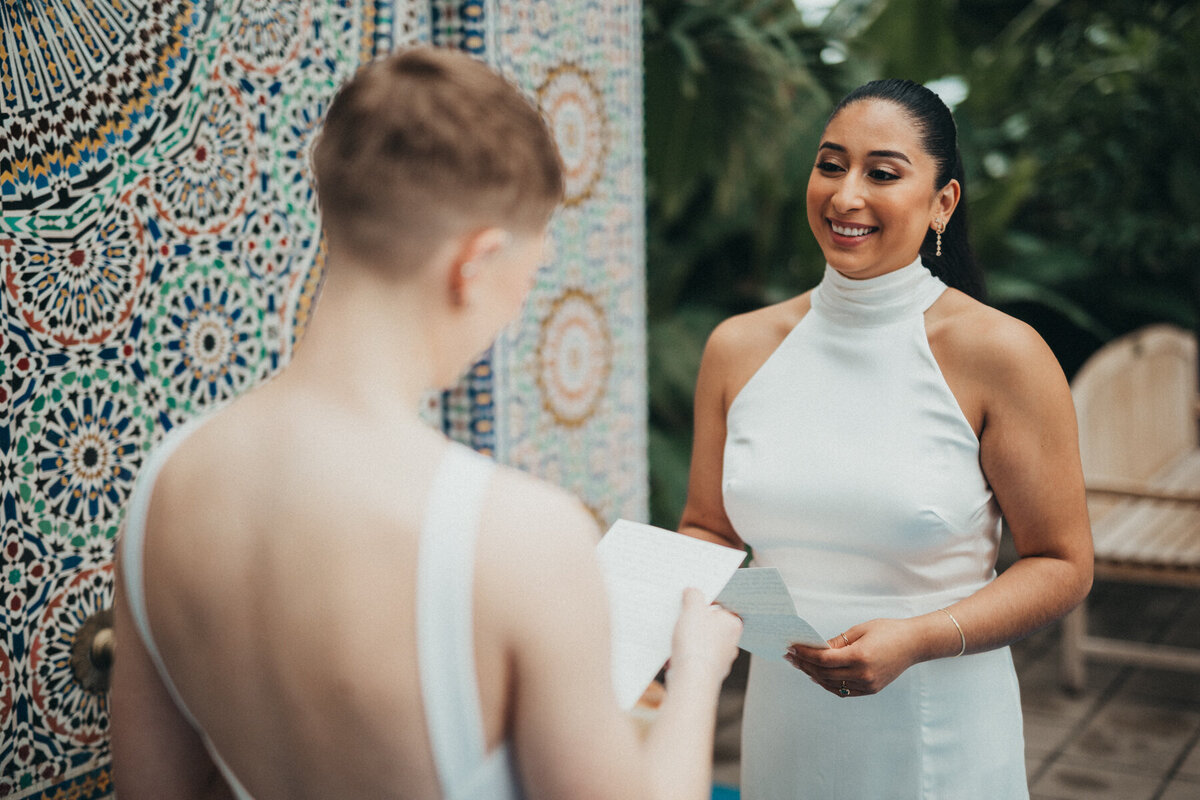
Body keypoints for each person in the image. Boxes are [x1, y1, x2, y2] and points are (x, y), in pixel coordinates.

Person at [110, 46, 742, 800]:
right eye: (527, 276)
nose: (513, 312)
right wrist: (699, 670)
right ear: (474, 265)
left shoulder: (161, 489)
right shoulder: (520, 535)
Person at [677, 78, 1093, 799]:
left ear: (943, 203)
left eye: (883, 173)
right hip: (784, 727)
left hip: (939, 730)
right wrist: (658, 613)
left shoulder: (1002, 355)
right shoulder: (738, 347)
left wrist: (920, 637)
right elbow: (708, 528)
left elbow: (1061, 563)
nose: (845, 196)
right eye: (831, 164)